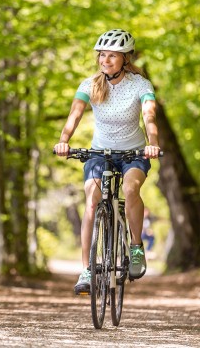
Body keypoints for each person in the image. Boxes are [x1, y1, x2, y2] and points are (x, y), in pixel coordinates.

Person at [53, 29, 160, 295]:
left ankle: (136, 247)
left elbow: (149, 117)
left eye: (112, 56)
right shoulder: (89, 84)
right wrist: (64, 139)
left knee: (131, 190)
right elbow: (74, 115)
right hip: (100, 152)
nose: (106, 60)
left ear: (126, 58)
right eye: (102, 55)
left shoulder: (140, 84)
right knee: (92, 197)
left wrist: (153, 143)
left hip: (133, 153)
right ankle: (87, 270)